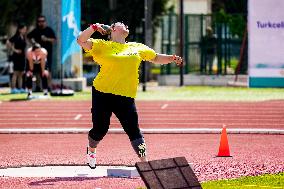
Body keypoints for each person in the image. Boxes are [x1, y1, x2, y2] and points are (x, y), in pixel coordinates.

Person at [77, 22, 182, 168]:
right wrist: (94, 27)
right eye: (122, 24)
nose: (126, 25)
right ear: (113, 29)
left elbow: (156, 57)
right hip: (102, 93)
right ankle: (92, 150)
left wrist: (171, 58)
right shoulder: (102, 45)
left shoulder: (137, 47)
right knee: (100, 129)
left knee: (134, 130)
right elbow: (80, 40)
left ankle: (144, 163)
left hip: (126, 96)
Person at [6, 23, 27, 94]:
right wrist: (14, 50)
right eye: (24, 29)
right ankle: (13, 89)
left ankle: (20, 88)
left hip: (22, 57)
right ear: (20, 30)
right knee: (15, 73)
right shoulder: (16, 36)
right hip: (17, 57)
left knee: (21, 73)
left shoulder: (23, 37)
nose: (25, 30)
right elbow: (8, 42)